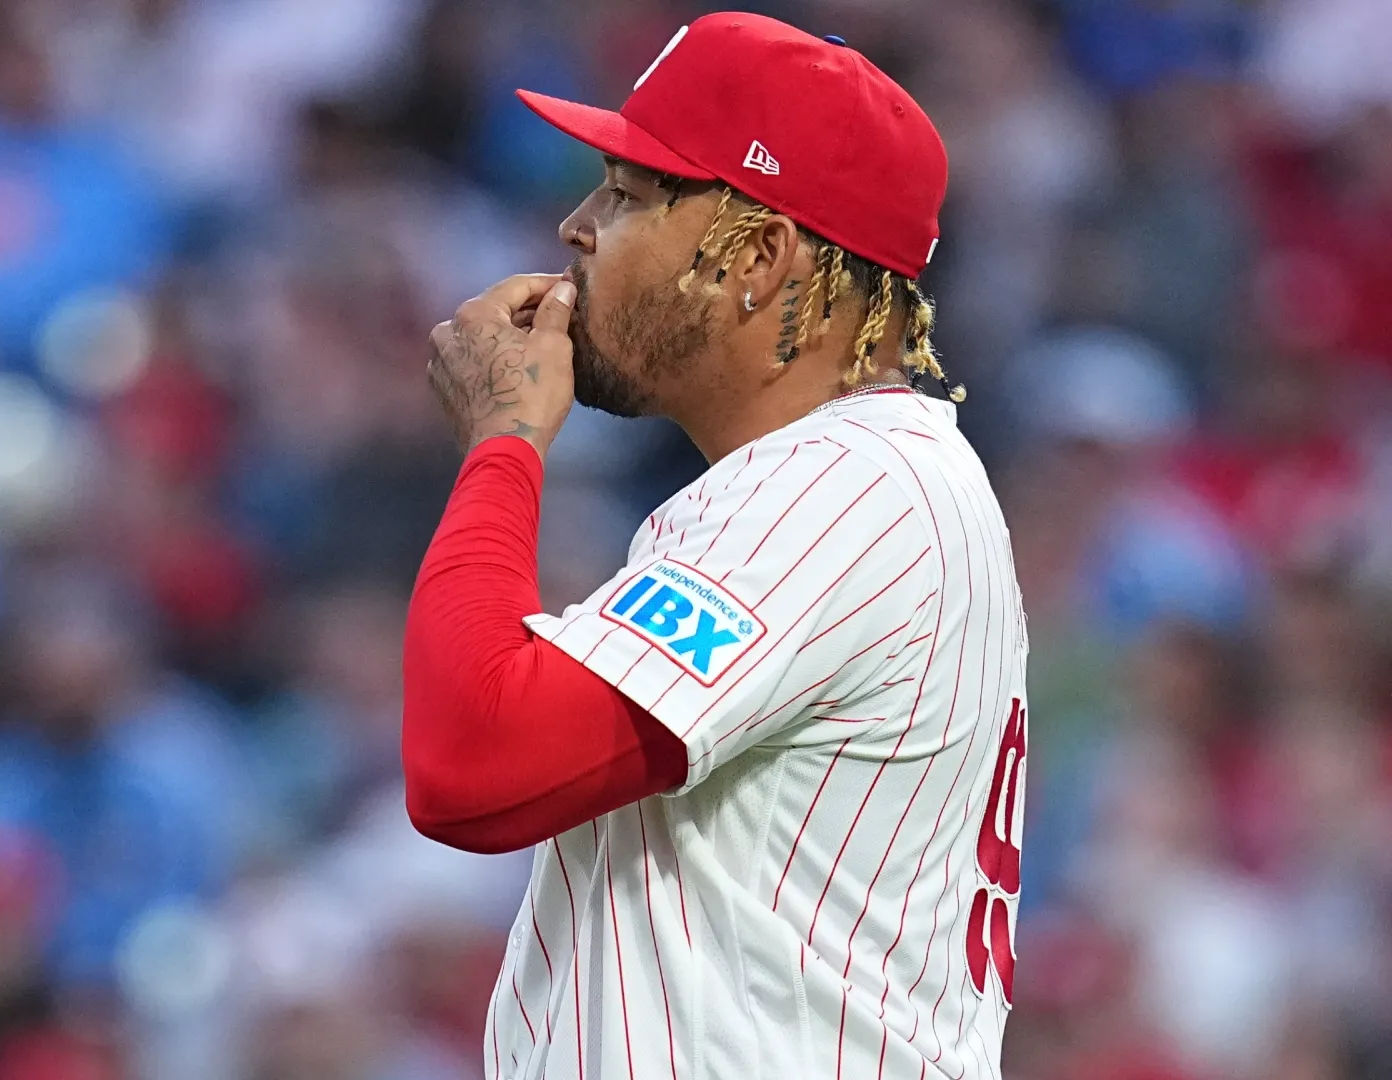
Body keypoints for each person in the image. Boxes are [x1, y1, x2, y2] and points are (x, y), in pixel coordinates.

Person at [401, 13, 1028, 1079]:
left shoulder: (846, 487)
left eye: (628, 194)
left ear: (762, 255)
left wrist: (506, 440)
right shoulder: (868, 481)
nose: (576, 227)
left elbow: (473, 761)